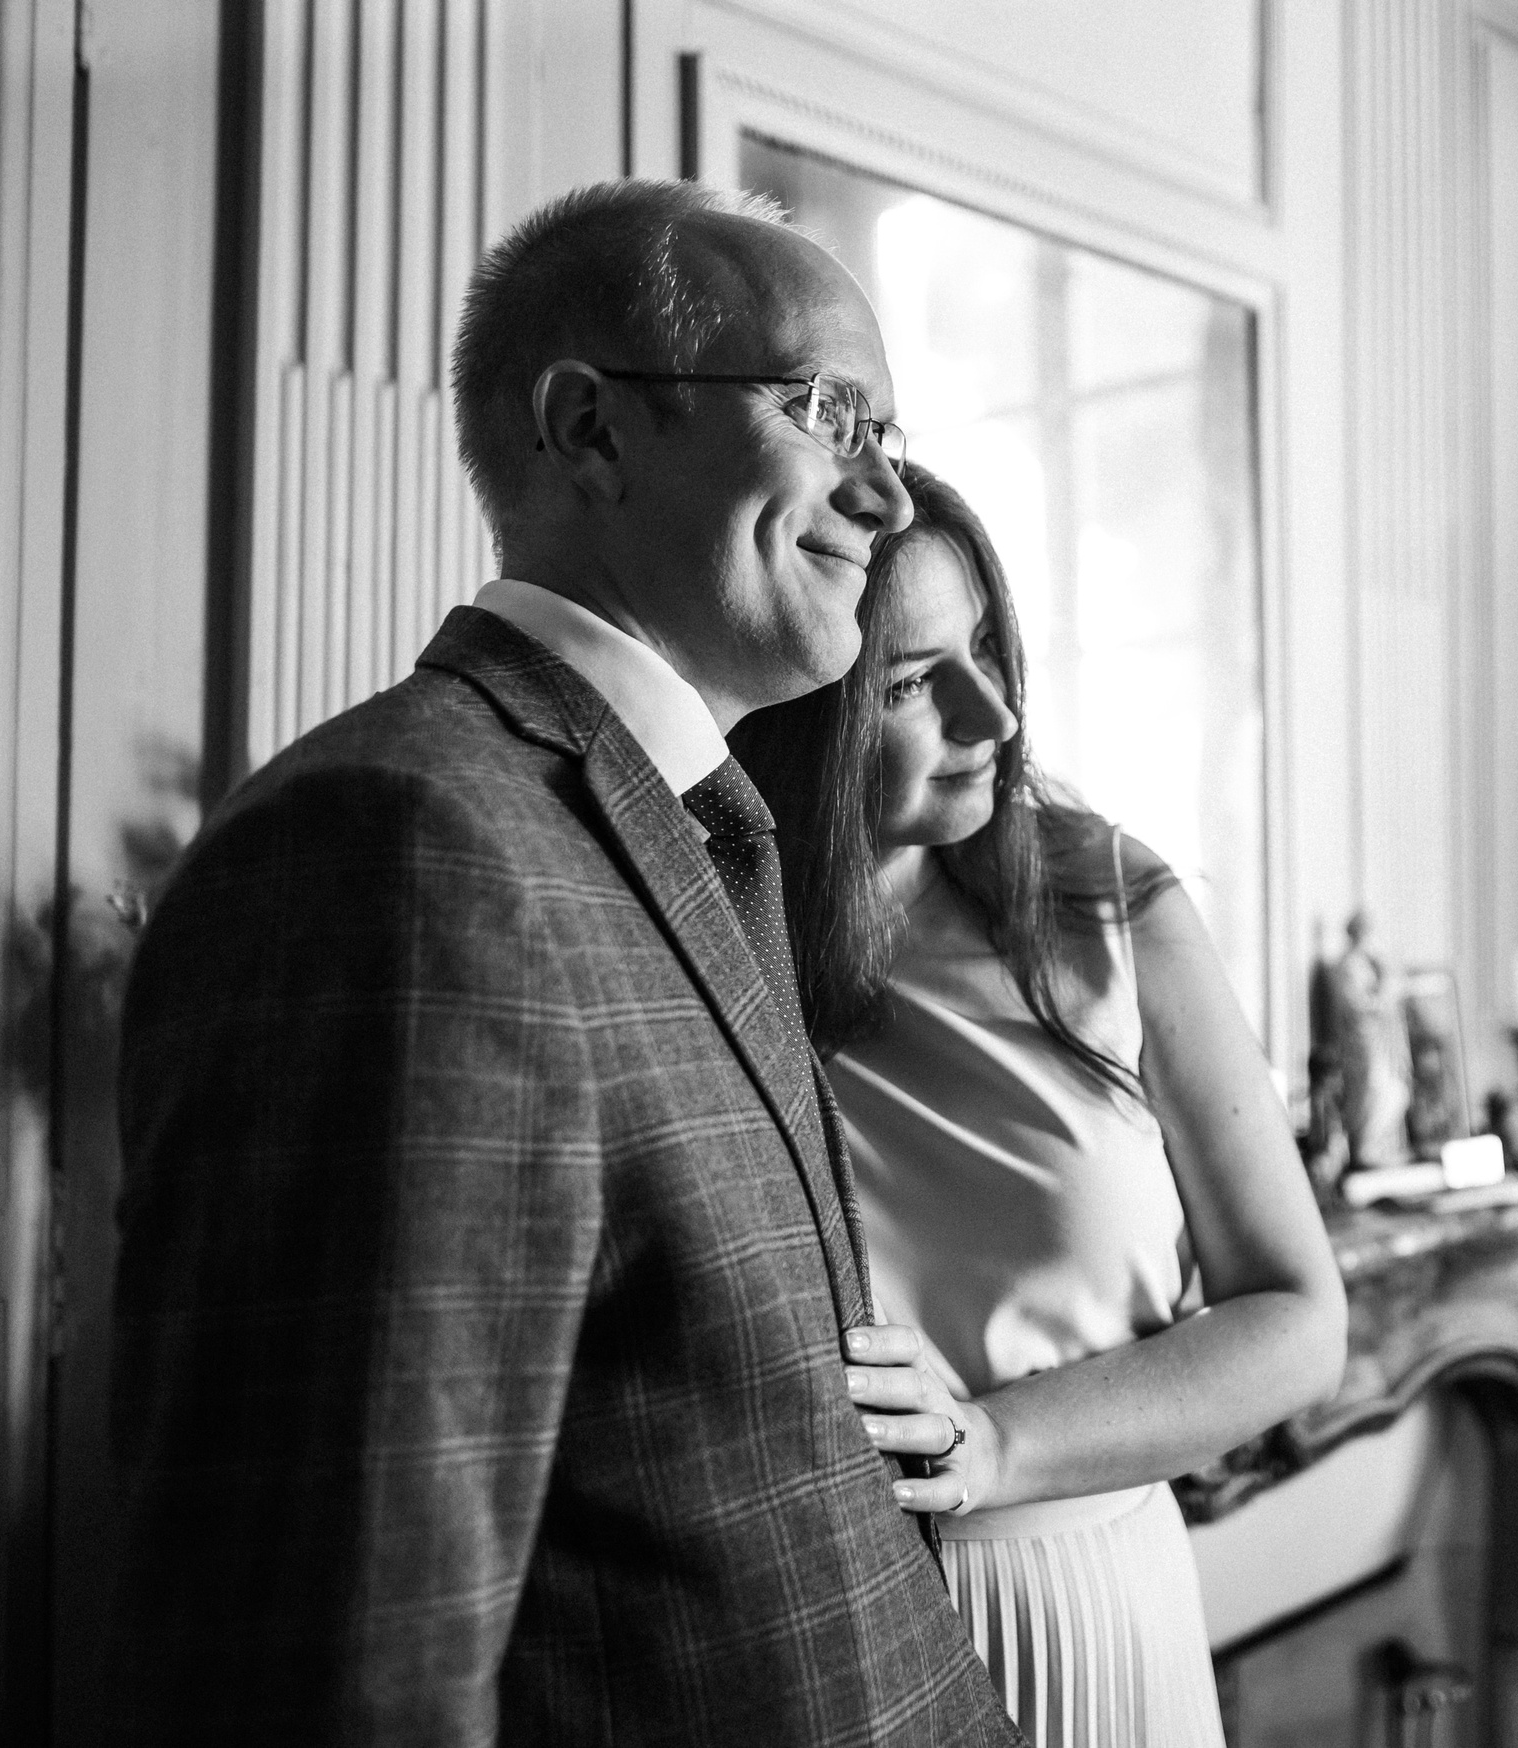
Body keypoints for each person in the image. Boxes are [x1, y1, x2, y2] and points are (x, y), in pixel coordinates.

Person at [109, 181, 1021, 1746]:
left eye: (891, 433)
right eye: (829, 414)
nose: (887, 495)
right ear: (589, 430)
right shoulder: (396, 846)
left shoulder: (705, 828)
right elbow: (341, 1655)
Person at [732, 463, 1348, 1748]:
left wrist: (998, 1443)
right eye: (910, 683)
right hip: (805, 1632)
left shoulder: (1107, 903)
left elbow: (1298, 1319)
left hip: (1088, 1605)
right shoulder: (707, 939)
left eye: (990, 650)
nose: (995, 712)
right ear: (798, 710)